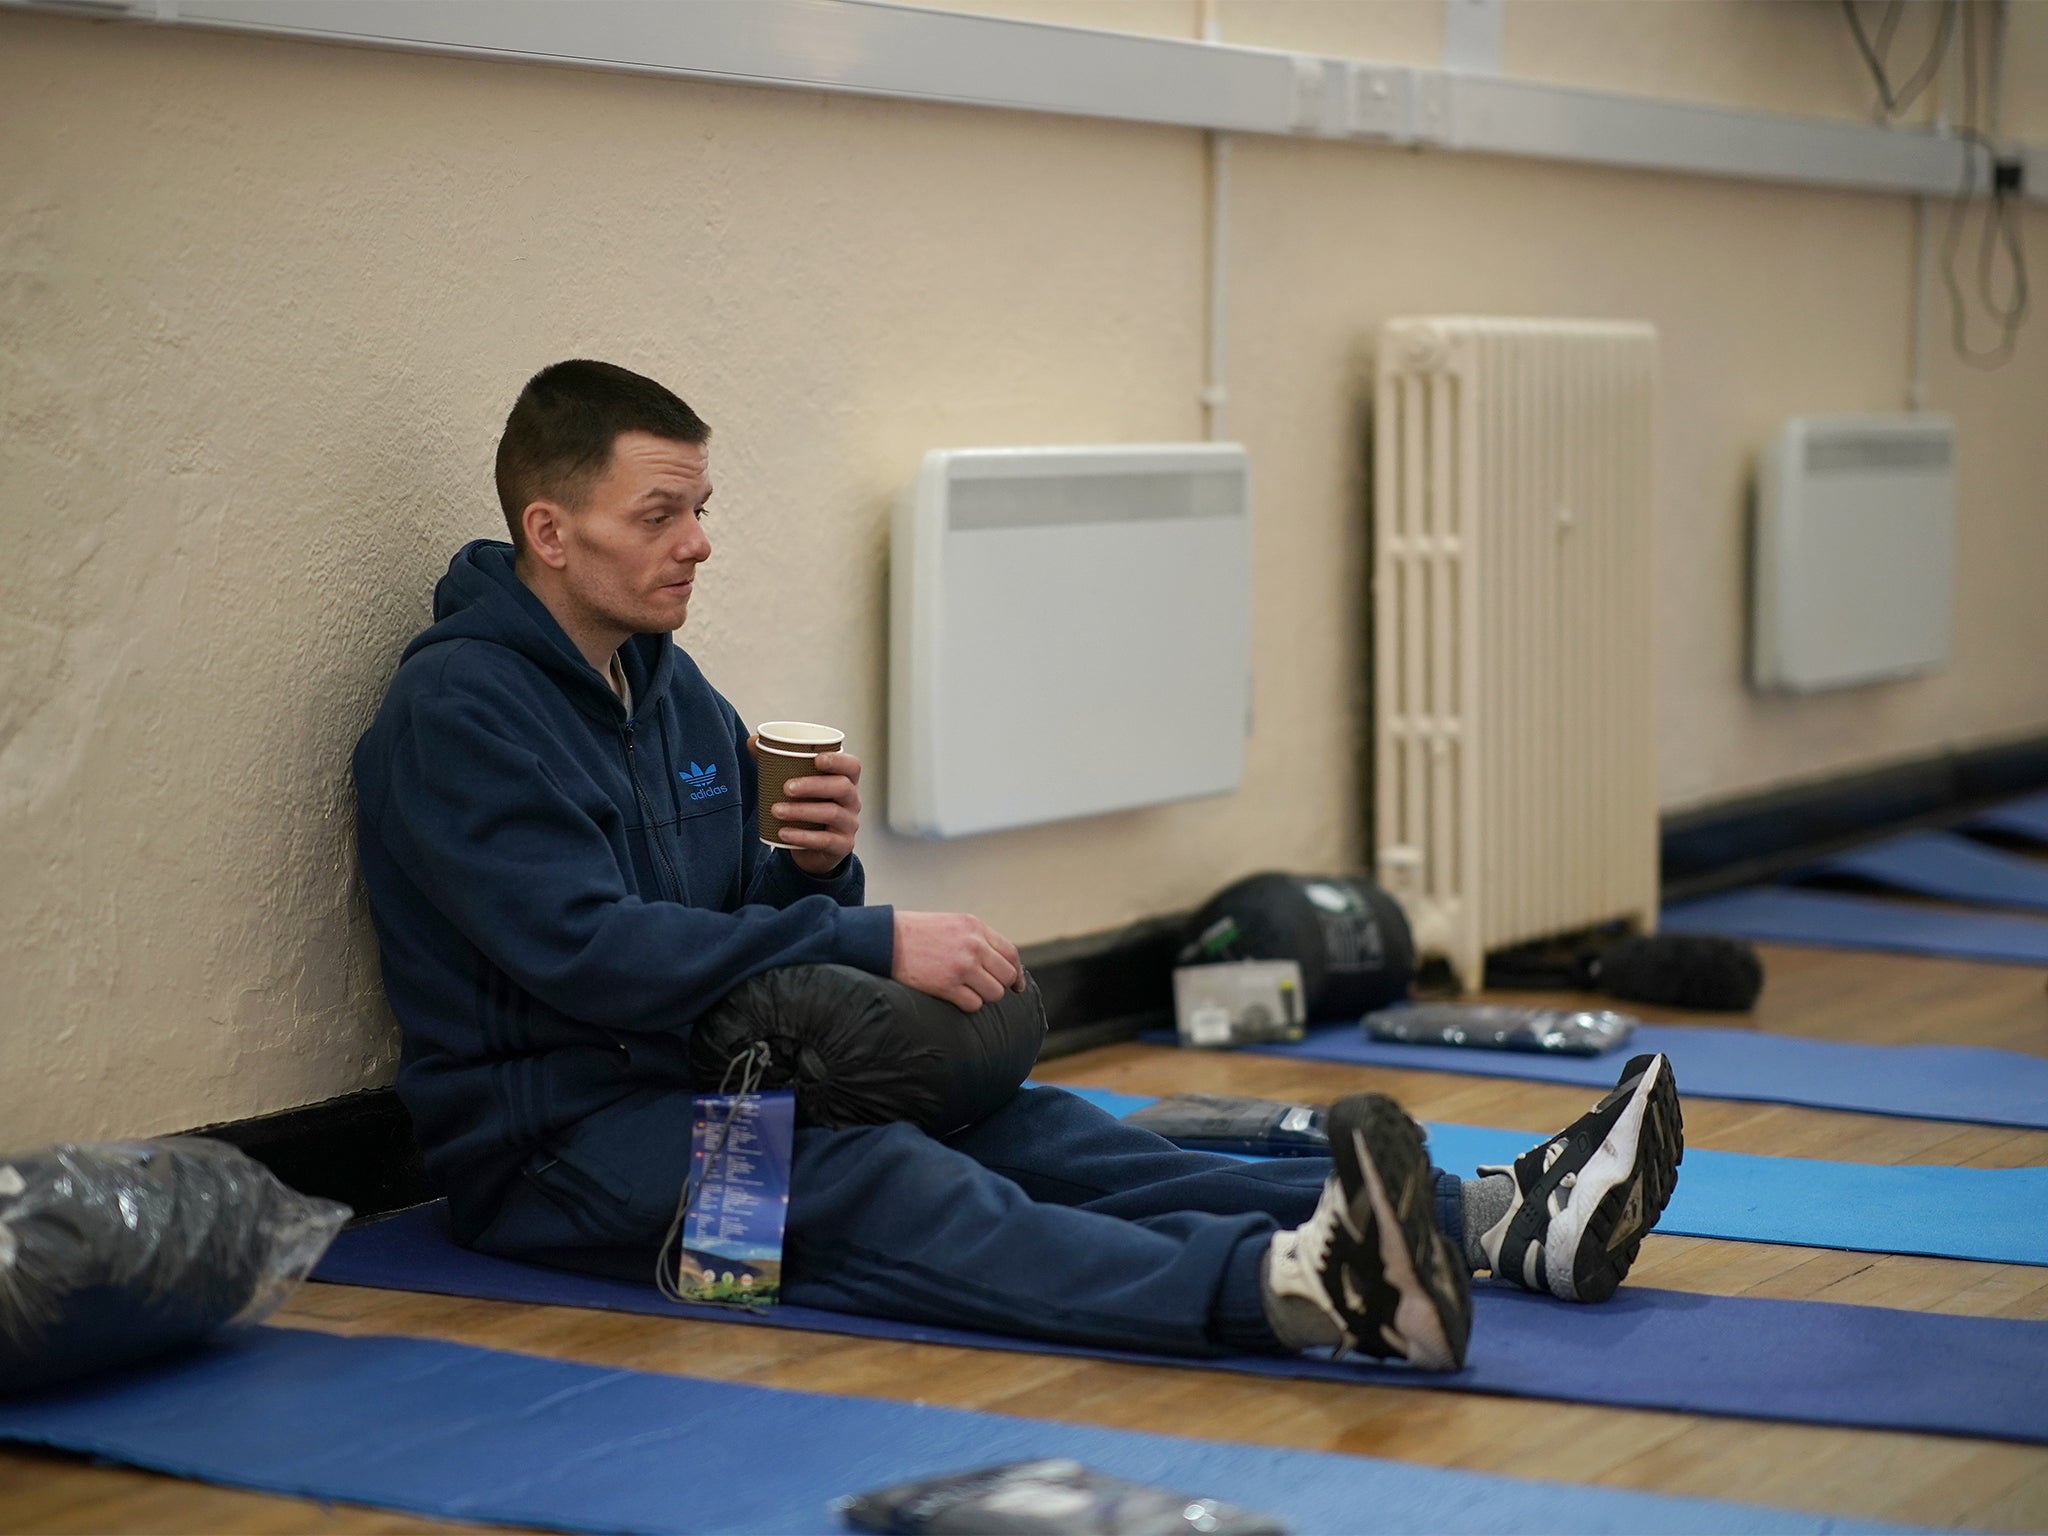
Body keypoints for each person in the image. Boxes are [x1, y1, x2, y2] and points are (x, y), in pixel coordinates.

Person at [352, 359, 1684, 1372]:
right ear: (549, 529)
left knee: (1029, 1128)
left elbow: (733, 927)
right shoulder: (459, 715)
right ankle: (1297, 1286)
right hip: (559, 1153)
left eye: (701, 508)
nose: (697, 541)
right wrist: (860, 941)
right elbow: (591, 953)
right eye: (660, 514)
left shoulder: (670, 686)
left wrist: (817, 873)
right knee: (886, 1179)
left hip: (716, 1082)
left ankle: (1496, 1220)